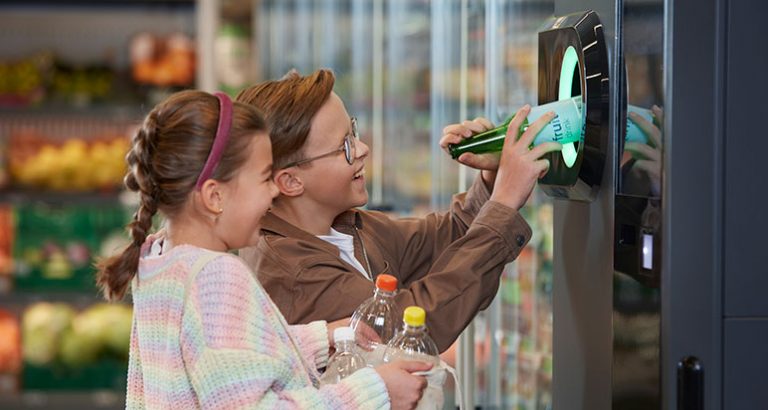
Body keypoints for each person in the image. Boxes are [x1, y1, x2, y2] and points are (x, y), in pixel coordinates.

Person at [96, 90, 430, 409]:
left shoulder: (161, 258)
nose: (274, 192)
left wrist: (322, 338)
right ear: (215, 197)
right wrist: (375, 392)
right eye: (265, 178)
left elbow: (223, 362)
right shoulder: (216, 277)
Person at [236, 69, 561, 352]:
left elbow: (445, 240)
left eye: (354, 132)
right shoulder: (295, 276)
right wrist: (503, 202)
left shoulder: (342, 227)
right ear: (291, 181)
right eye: (345, 147)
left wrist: (492, 178)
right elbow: (412, 323)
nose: (363, 150)